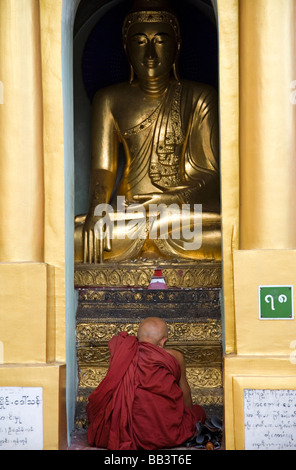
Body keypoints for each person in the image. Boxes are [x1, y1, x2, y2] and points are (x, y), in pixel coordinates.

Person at [75, 0, 221, 264]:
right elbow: (104, 169)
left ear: (177, 46)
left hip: (181, 214)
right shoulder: (108, 99)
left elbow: (210, 174)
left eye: (160, 41)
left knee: (223, 234)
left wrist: (170, 199)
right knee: (77, 237)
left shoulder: (200, 96)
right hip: (127, 213)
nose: (150, 54)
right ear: (126, 48)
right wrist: (97, 211)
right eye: (140, 41)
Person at [86, 317, 207, 450]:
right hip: (165, 434)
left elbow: (110, 392)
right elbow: (186, 394)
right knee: (198, 412)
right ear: (163, 341)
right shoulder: (174, 357)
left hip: (123, 430)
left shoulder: (123, 353)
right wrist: (187, 418)